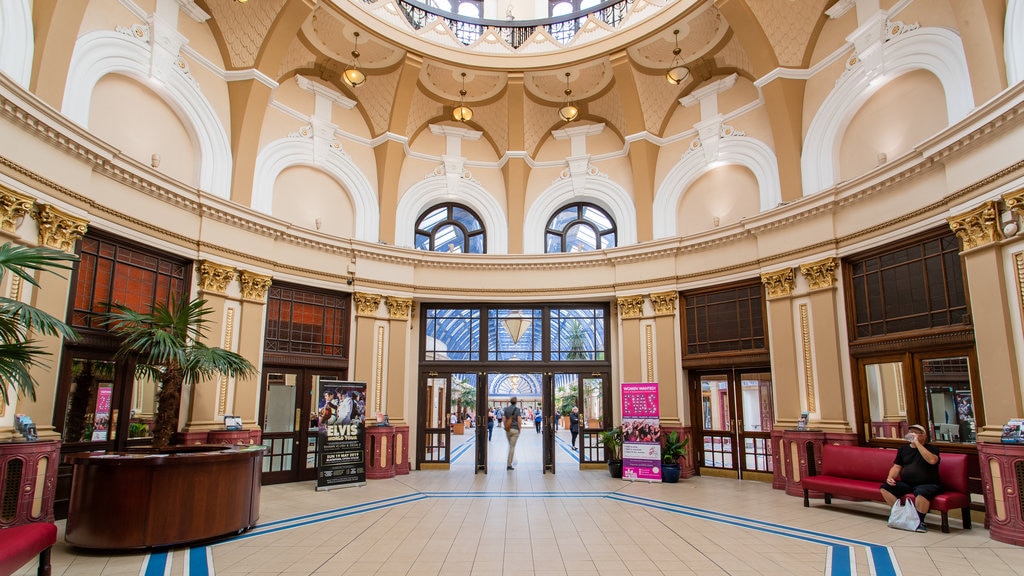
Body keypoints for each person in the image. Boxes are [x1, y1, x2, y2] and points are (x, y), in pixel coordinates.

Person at [880, 424, 941, 533]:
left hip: (928, 483)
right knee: (885, 487)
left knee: (922, 492)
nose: (913, 434)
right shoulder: (903, 449)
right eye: (911, 431)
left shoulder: (932, 448)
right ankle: (902, 514)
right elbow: (897, 466)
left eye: (917, 432)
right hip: (907, 483)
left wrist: (917, 444)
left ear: (924, 436)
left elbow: (932, 460)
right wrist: (890, 477)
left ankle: (920, 521)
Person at [503, 396, 522, 470]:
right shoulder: (517, 410)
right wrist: (519, 429)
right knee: (512, 447)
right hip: (515, 430)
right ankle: (509, 464)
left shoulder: (506, 409)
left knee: (510, 446)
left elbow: (504, 419)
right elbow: (519, 420)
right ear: (516, 402)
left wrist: (506, 426)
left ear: (510, 402)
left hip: (508, 430)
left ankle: (511, 460)